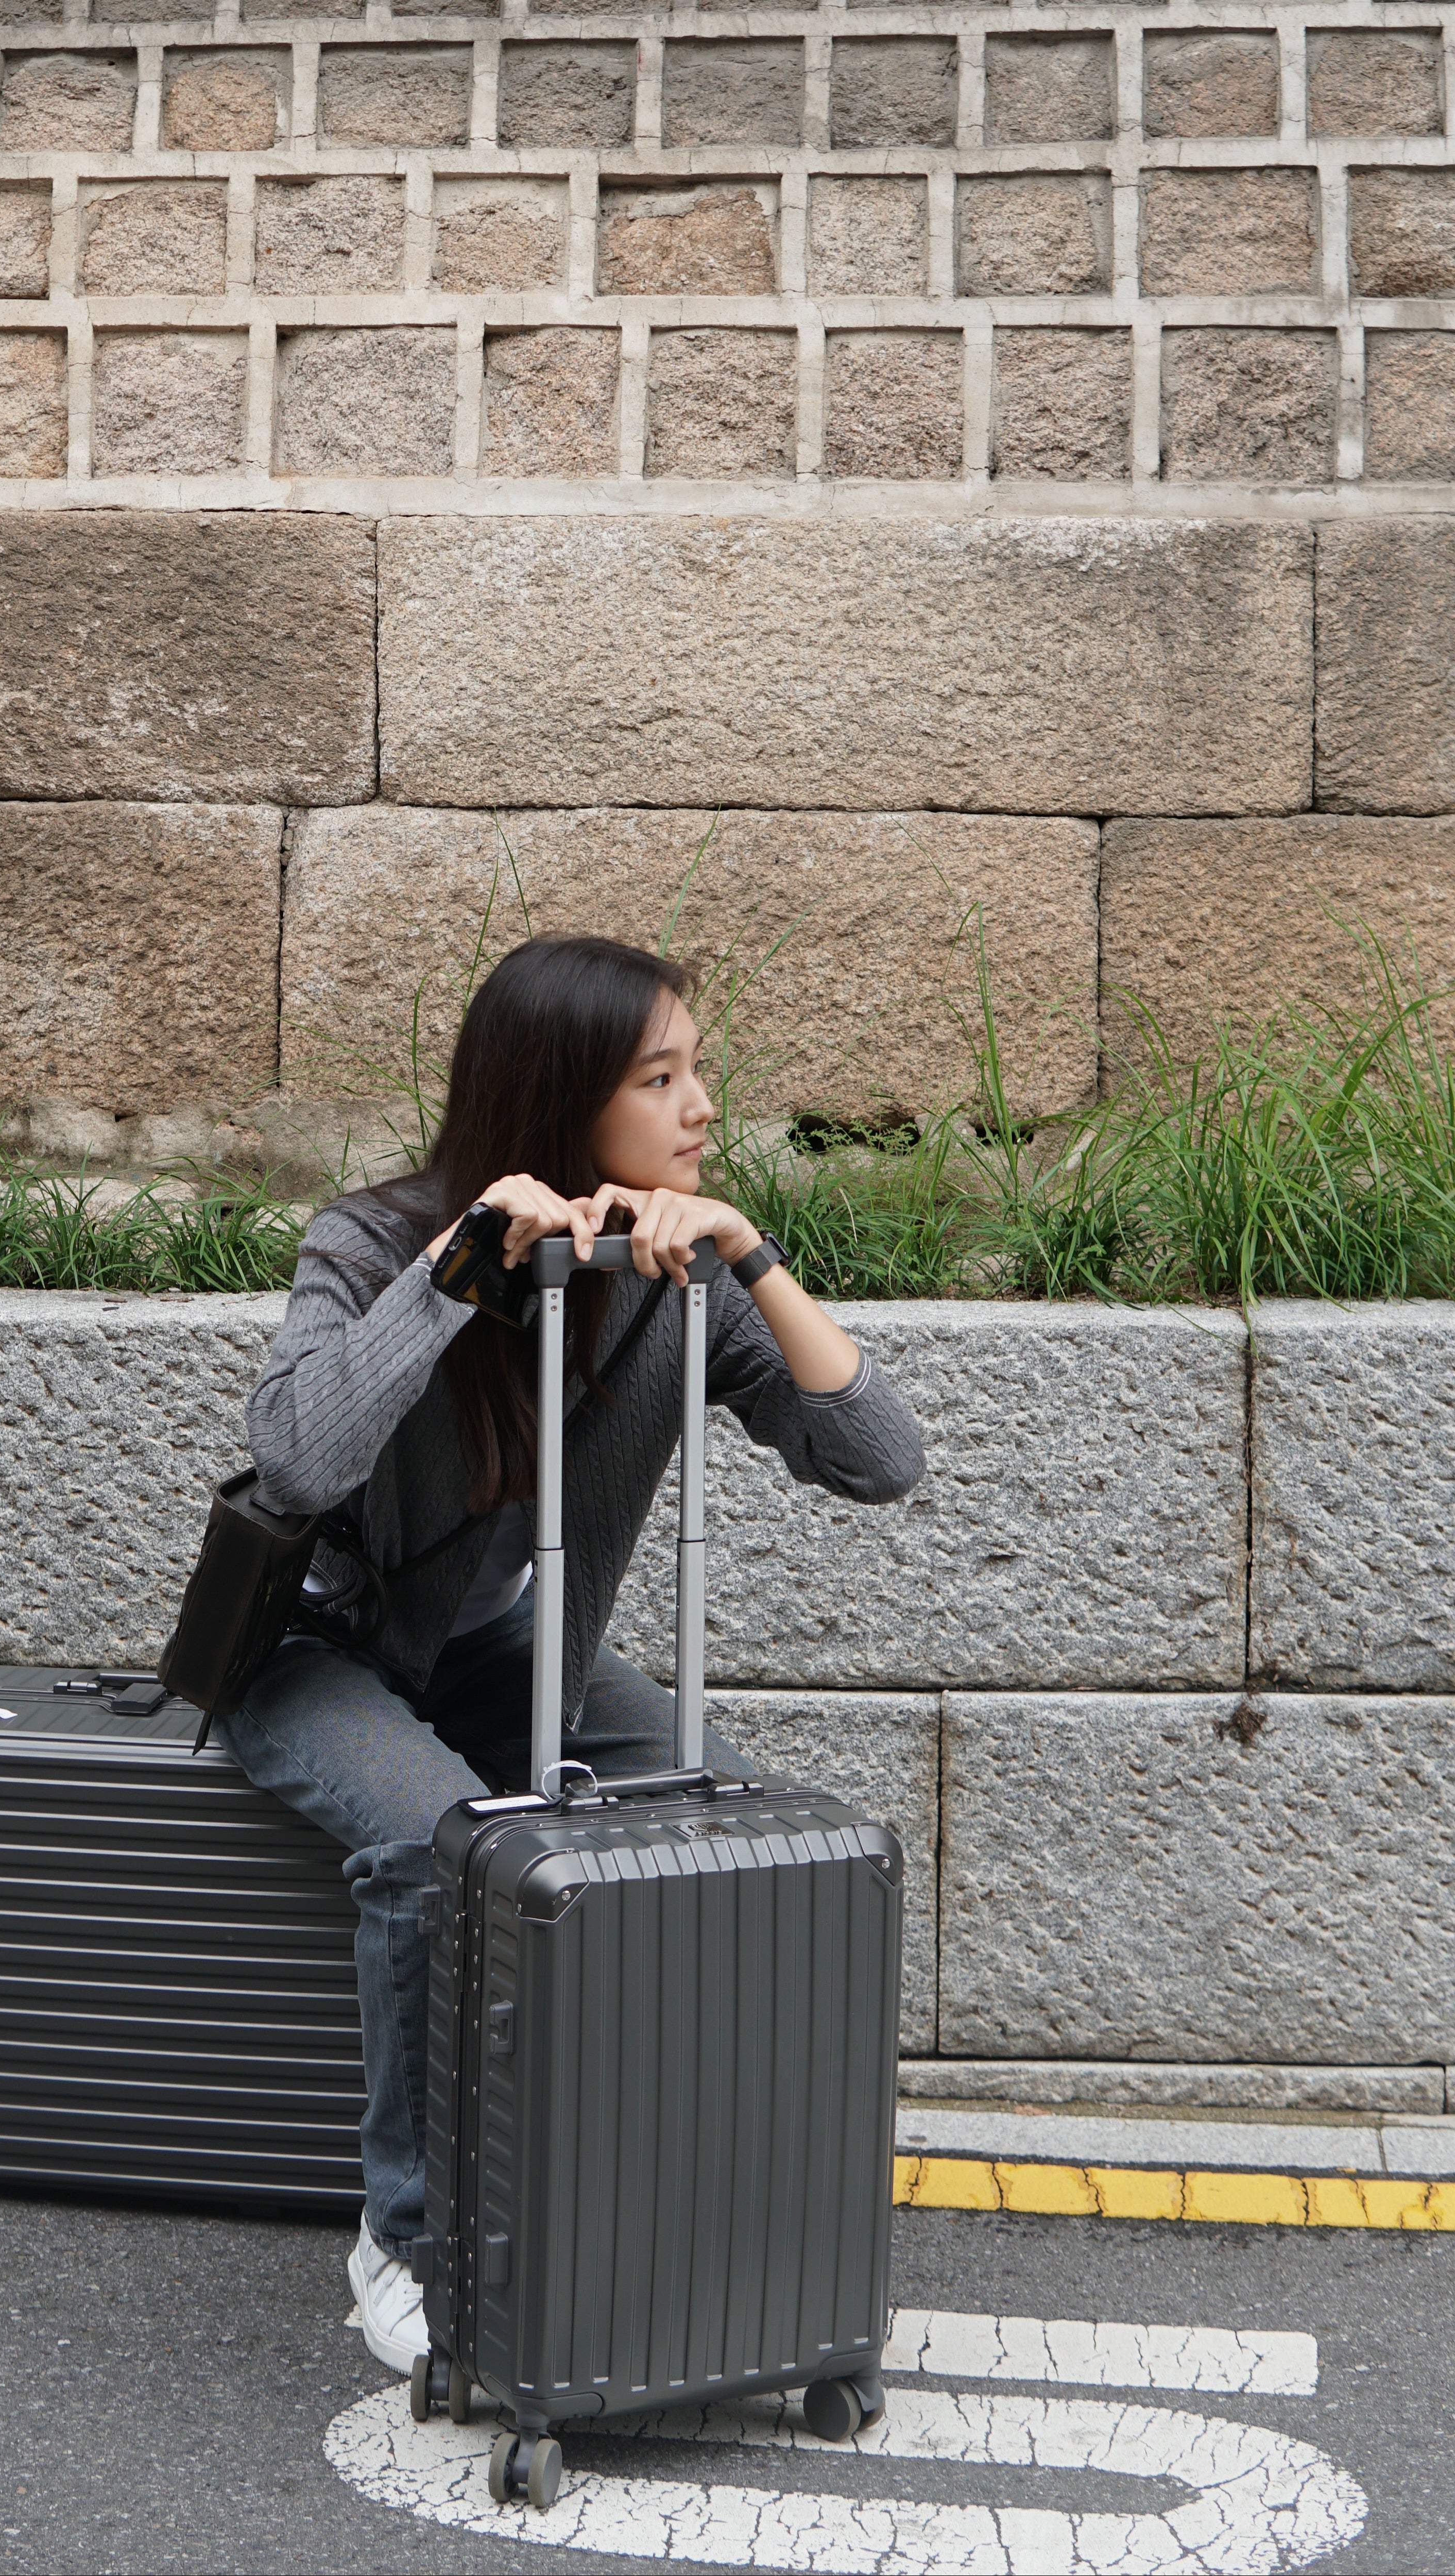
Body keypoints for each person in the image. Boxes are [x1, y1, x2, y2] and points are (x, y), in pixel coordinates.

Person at [219, 936, 927, 2374]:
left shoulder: (674, 1282)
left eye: (697, 1071)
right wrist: (462, 1267)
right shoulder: (371, 1242)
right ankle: (404, 2236)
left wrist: (751, 1255)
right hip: (314, 1648)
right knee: (439, 1845)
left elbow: (879, 1458)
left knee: (731, 1833)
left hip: (505, 1653)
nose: (701, 1106)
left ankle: (681, 2193)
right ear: (559, 1092)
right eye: (659, 1079)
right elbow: (296, 1457)